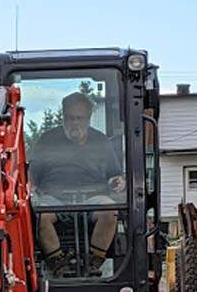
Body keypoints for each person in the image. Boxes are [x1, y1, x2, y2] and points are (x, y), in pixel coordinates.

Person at [29, 91, 125, 276]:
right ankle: (58, 265)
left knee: (110, 210)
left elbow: (114, 174)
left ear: (88, 118)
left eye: (79, 118)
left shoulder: (101, 141)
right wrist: (30, 186)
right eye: (70, 118)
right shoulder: (47, 140)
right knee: (40, 214)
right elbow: (32, 174)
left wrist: (118, 181)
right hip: (54, 198)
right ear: (63, 116)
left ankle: (94, 264)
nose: (74, 123)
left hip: (93, 198)